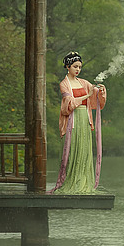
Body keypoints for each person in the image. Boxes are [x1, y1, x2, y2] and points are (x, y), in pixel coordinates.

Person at [51, 51, 107, 194]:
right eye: (75, 66)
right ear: (68, 66)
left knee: (84, 150)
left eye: (80, 67)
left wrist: (100, 91)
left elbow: (94, 97)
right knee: (73, 149)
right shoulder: (64, 84)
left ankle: (84, 182)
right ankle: (71, 181)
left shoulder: (84, 82)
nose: (78, 70)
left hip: (84, 119)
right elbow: (67, 104)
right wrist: (87, 95)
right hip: (73, 120)